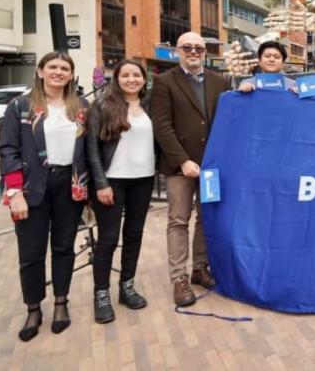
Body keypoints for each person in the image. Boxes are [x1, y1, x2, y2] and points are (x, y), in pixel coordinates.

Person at [0, 51, 89, 341]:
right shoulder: (21, 106)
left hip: (69, 185)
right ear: (40, 71)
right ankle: (33, 308)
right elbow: (8, 149)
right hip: (31, 187)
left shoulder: (80, 107)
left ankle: (61, 303)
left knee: (63, 248)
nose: (58, 72)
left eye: (65, 68)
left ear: (71, 75)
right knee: (31, 253)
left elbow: (89, 149)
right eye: (52, 67)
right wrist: (14, 192)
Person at [151, 32, 225, 307]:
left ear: (205, 52)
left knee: (206, 218)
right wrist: (182, 160)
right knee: (178, 221)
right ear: (177, 51)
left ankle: (199, 267)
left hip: (211, 166)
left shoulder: (221, 81)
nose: (193, 52)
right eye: (187, 48)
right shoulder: (164, 82)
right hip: (180, 167)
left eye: (198, 48)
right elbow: (162, 126)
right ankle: (179, 278)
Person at [85, 60, 155, 324]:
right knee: (108, 239)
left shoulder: (150, 105)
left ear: (144, 79)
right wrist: (100, 183)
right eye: (125, 75)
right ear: (116, 78)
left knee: (134, 235)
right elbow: (92, 148)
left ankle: (127, 286)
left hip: (143, 180)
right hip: (112, 181)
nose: (131, 79)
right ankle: (101, 295)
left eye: (136, 75)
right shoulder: (102, 105)